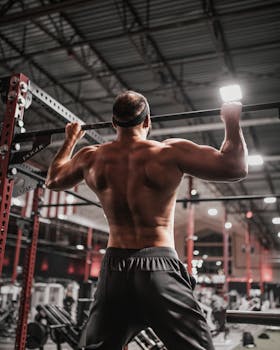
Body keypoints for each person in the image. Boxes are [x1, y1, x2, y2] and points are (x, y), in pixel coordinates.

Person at [46, 91, 248, 350]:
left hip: (114, 269)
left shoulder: (91, 157)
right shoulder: (167, 152)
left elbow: (53, 180)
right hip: (158, 267)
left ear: (113, 123)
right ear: (148, 121)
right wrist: (231, 119)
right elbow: (235, 168)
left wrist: (70, 140)